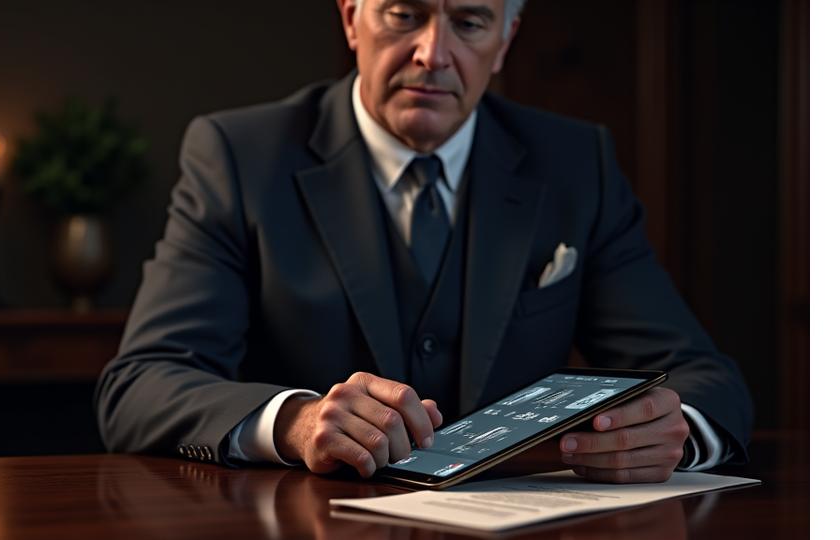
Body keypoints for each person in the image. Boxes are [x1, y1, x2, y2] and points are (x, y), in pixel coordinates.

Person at [95, 0, 753, 484]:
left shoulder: (577, 163)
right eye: (404, 15)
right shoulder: (239, 156)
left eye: (469, 23)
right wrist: (296, 423)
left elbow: (702, 374)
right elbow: (141, 385)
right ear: (351, 18)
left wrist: (677, 430)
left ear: (505, 42)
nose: (433, 54)